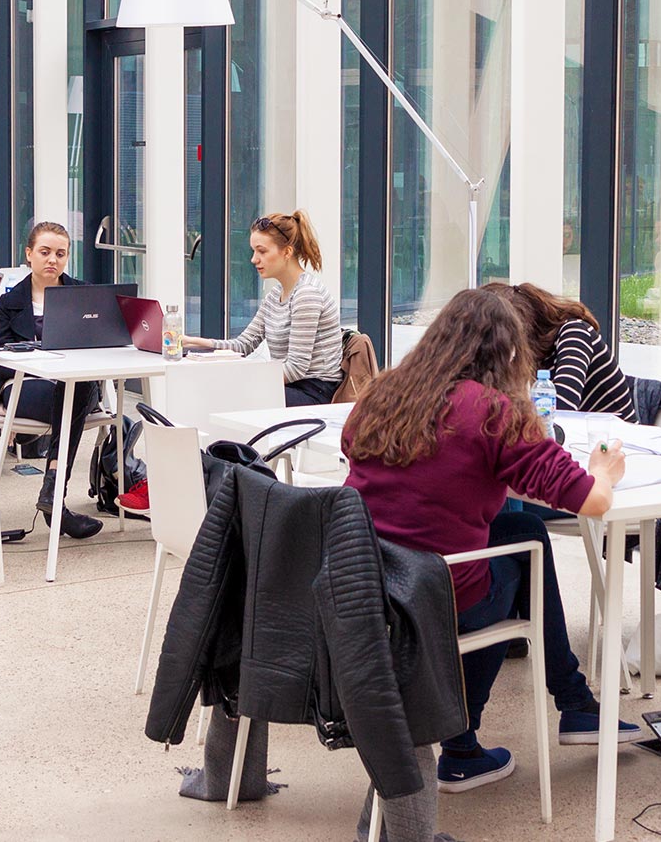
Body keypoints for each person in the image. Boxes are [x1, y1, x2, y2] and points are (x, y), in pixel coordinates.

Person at [341, 288, 637, 794]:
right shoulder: (496, 413)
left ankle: (573, 702)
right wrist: (604, 470)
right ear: (509, 352)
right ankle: (466, 745)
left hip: (365, 584)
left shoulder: (381, 394)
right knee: (523, 549)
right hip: (438, 593)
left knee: (523, 532)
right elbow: (590, 501)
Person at [0, 222, 104, 540]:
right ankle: (55, 497)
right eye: (45, 252)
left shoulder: (83, 294)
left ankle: (53, 485)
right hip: (27, 387)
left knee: (75, 386)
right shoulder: (10, 303)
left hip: (75, 386)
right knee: (71, 393)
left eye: (60, 254)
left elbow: (100, 346)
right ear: (29, 254)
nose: (53, 259)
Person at [182, 210, 343, 406]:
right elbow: (243, 345)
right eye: (253, 251)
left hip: (314, 392)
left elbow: (297, 367)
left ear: (287, 252)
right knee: (217, 392)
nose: (254, 259)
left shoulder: (306, 294)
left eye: (262, 251)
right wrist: (191, 342)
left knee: (229, 397)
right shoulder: (275, 296)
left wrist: (249, 381)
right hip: (289, 386)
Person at [485, 281, 635, 419]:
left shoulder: (575, 332)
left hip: (617, 441)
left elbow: (562, 409)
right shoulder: (536, 354)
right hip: (577, 440)